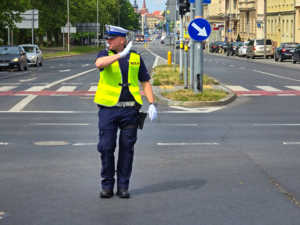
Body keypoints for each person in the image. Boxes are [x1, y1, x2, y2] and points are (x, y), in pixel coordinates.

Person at [94, 25, 157, 199]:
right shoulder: (104, 55)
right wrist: (119, 56)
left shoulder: (136, 57)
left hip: (130, 110)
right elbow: (99, 64)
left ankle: (123, 186)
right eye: (107, 38)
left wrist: (152, 103)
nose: (108, 41)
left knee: (127, 148)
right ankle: (107, 185)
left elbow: (145, 81)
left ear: (122, 40)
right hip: (109, 109)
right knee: (106, 147)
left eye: (111, 38)